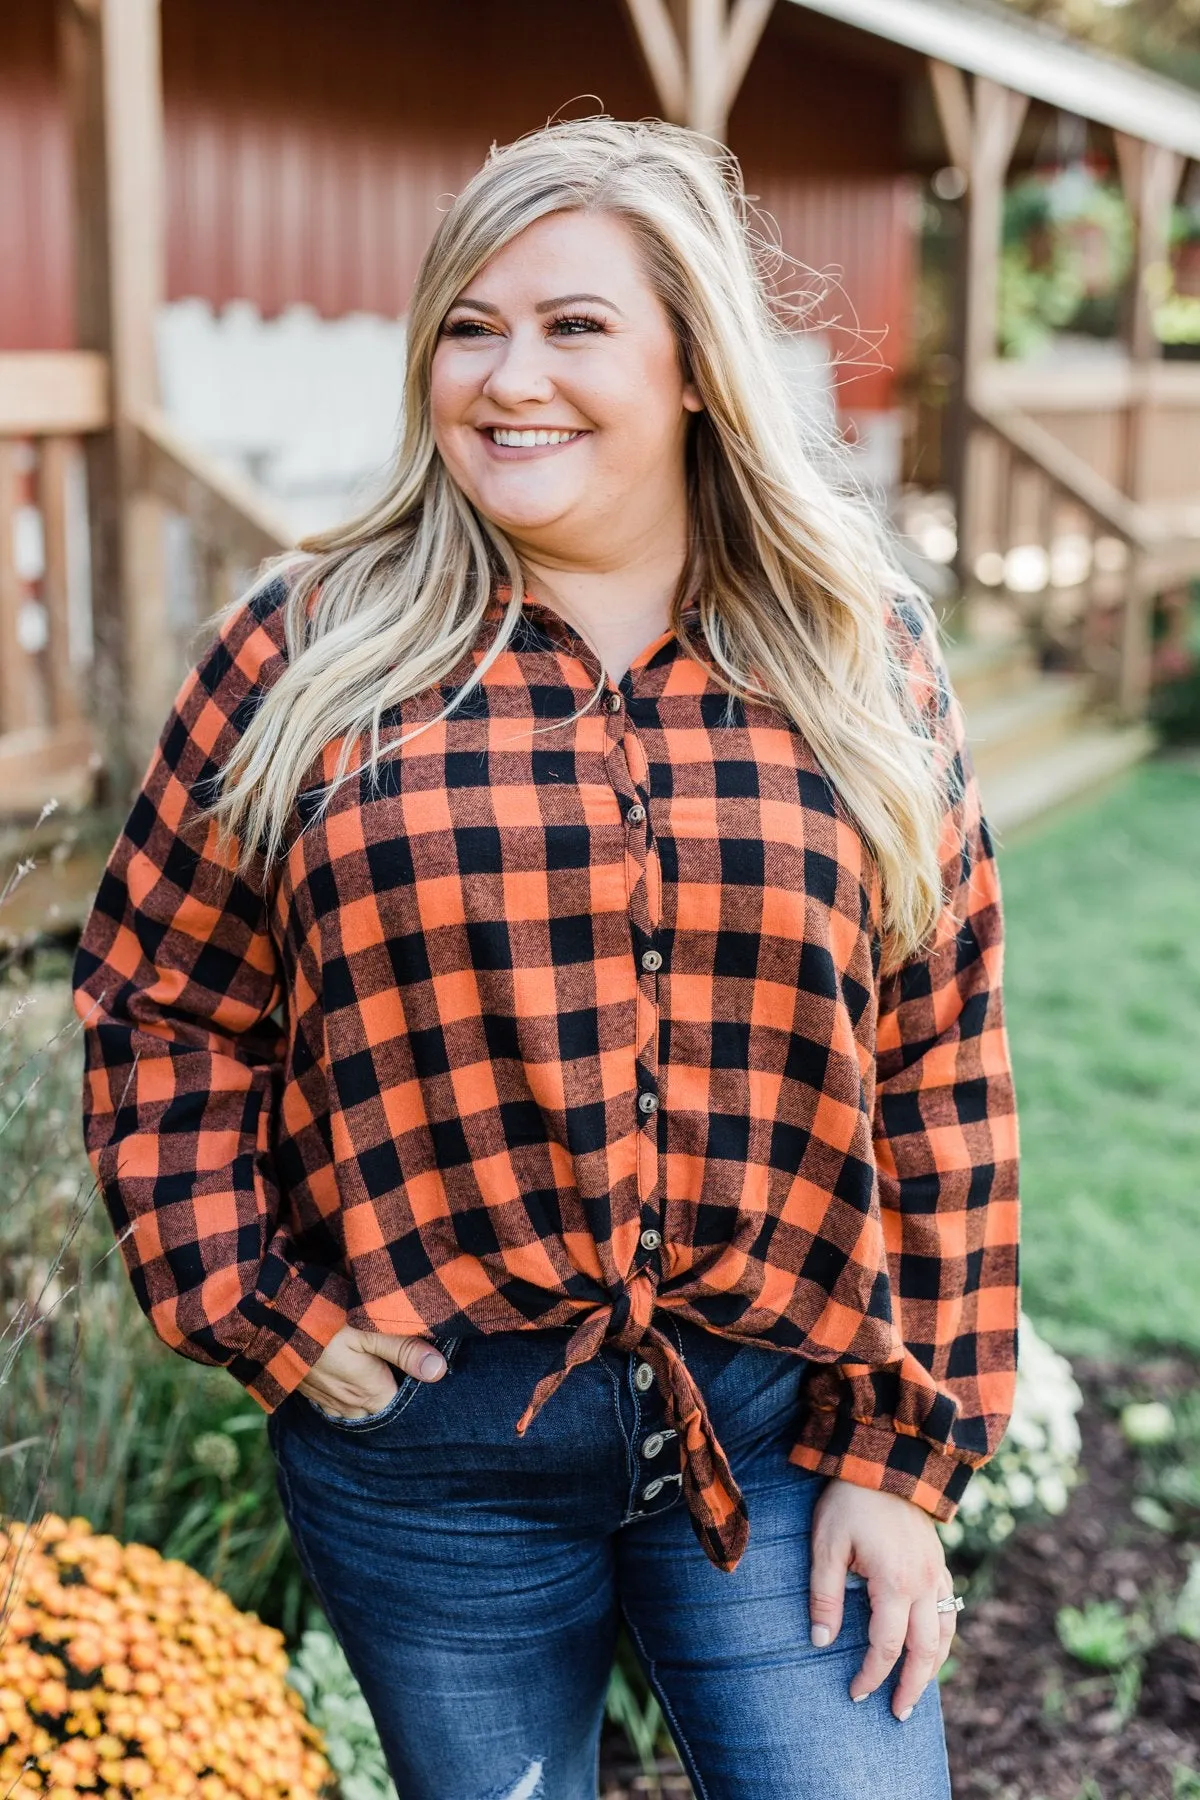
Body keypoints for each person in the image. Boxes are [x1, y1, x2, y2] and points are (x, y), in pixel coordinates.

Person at [73, 116, 1020, 1800]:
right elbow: (162, 1004)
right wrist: (248, 1300)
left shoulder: (853, 657)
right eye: (469, 325)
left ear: (698, 370)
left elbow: (941, 1057)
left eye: (575, 324)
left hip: (780, 1425)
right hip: (433, 1457)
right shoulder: (302, 653)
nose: (510, 377)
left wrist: (904, 1456)